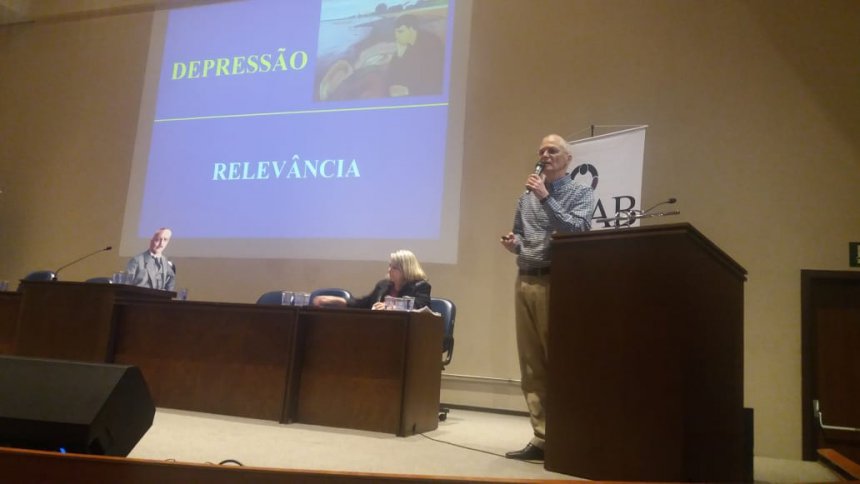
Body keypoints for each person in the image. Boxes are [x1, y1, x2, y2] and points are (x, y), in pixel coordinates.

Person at [499, 134, 596, 461]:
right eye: (541, 150)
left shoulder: (580, 192)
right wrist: (514, 243)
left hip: (558, 282)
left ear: (567, 159)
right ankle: (542, 437)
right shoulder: (525, 197)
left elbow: (578, 229)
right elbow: (521, 233)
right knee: (531, 365)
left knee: (560, 361)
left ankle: (570, 435)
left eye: (552, 150)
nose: (545, 154)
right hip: (525, 279)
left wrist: (545, 197)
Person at [312, 249, 431, 310]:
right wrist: (338, 301)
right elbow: (363, 304)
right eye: (389, 266)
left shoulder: (420, 286)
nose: (389, 270)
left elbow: (420, 307)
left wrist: (390, 307)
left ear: (406, 270)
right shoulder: (383, 285)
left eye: (394, 268)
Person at [387, 14, 445, 97]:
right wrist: (399, 56)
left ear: (411, 30)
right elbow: (394, 78)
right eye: (395, 33)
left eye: (400, 32)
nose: (396, 36)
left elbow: (434, 82)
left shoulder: (431, 45)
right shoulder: (406, 45)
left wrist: (409, 91)